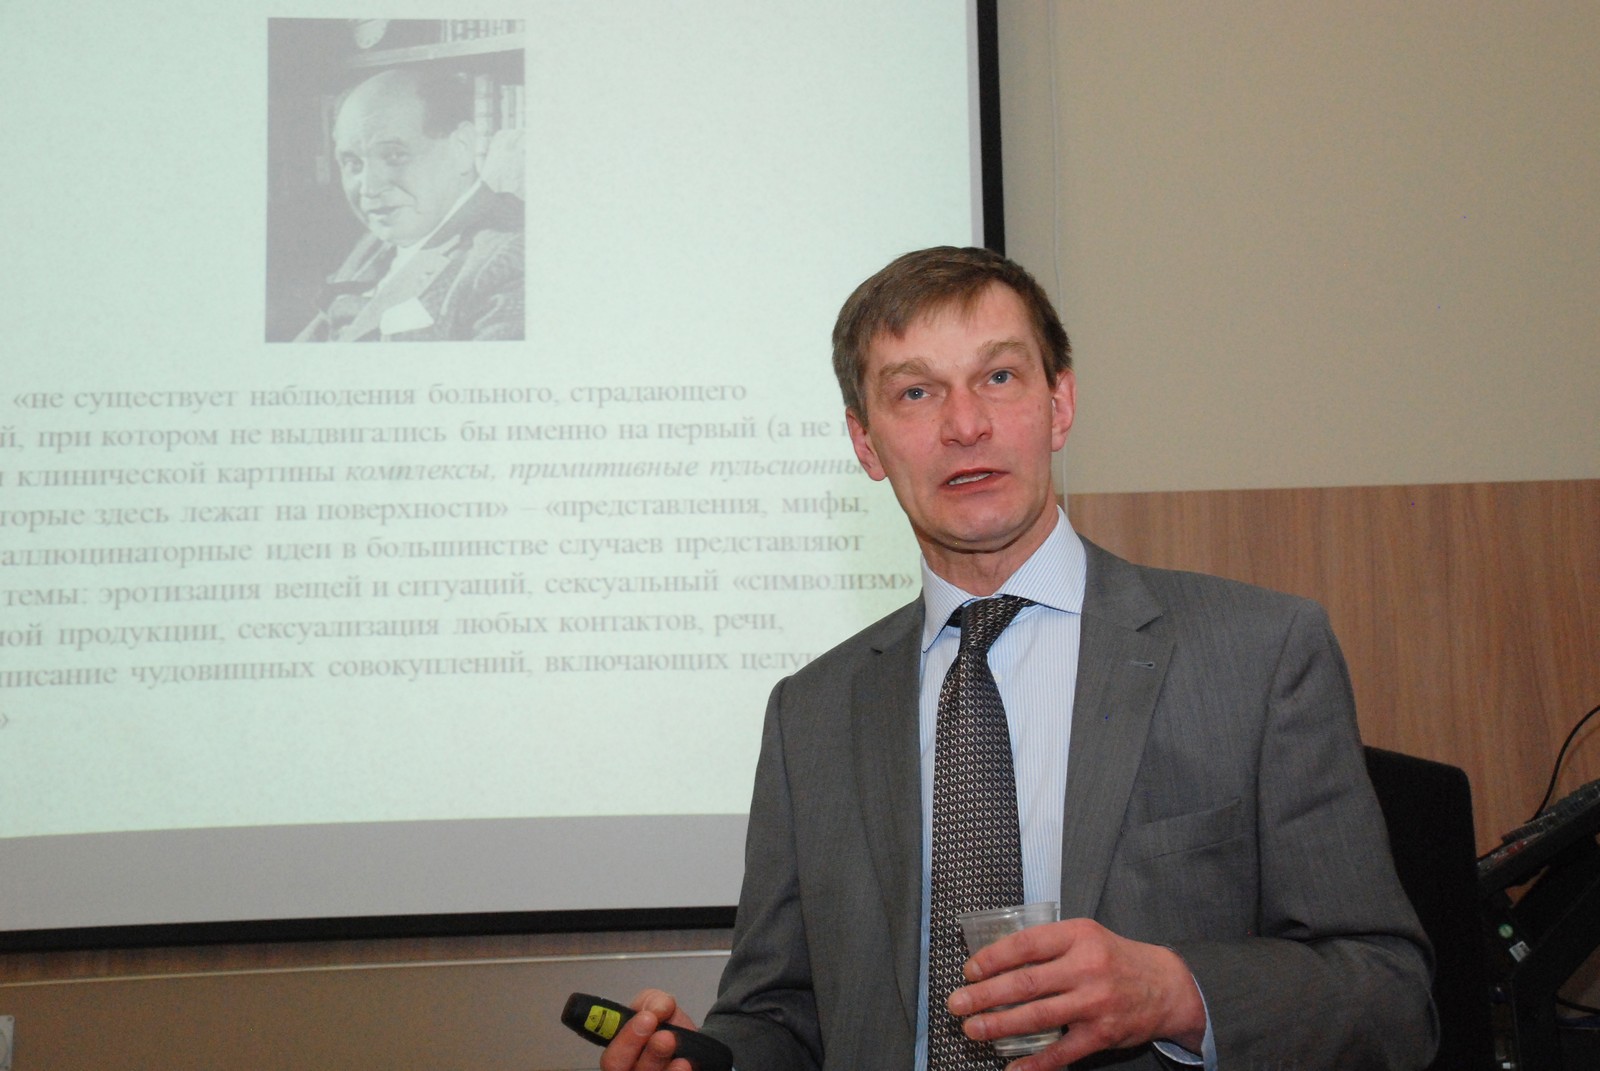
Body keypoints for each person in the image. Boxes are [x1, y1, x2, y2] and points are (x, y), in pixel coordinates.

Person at [603, 247, 1436, 1070]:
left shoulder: (1257, 653)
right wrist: (704, 1061)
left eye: (998, 377)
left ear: (1059, 404)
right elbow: (779, 1013)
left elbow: (1392, 999)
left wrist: (1176, 991)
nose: (965, 424)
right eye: (916, 392)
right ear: (865, 442)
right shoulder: (810, 711)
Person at [294, 67, 524, 342]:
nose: (368, 189)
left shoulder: (512, 260)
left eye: (394, 156)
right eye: (353, 163)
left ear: (462, 147)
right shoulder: (377, 242)